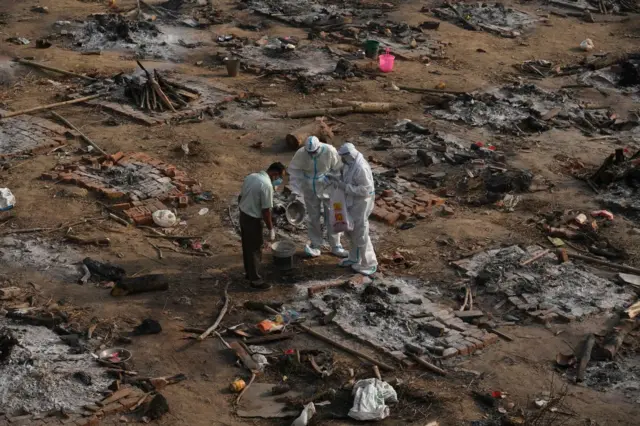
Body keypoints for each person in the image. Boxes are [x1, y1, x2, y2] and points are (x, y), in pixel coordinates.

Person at [288, 136, 348, 258]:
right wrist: (295, 190)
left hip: (327, 186)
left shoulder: (329, 150)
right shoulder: (301, 153)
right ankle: (315, 244)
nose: (312, 154)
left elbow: (338, 168)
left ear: (319, 147)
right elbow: (295, 171)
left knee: (332, 215)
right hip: (310, 187)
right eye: (309, 152)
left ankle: (336, 245)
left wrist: (332, 177)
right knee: (313, 216)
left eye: (314, 152)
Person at [330, 143, 378, 275]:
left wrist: (344, 187)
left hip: (361, 203)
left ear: (349, 155)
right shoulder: (349, 164)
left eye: (344, 157)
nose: (342, 159)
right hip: (351, 201)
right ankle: (354, 257)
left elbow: (366, 190)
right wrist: (336, 180)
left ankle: (370, 263)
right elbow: (347, 179)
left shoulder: (361, 168)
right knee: (350, 231)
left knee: (361, 233)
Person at [238, 162, 286, 289]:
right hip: (253, 219)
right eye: (280, 178)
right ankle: (256, 280)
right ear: (275, 174)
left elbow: (241, 196)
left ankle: (249, 273)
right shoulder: (266, 185)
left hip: (243, 214)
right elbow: (266, 211)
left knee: (247, 246)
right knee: (255, 249)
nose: (279, 181)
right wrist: (271, 229)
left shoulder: (251, 176)